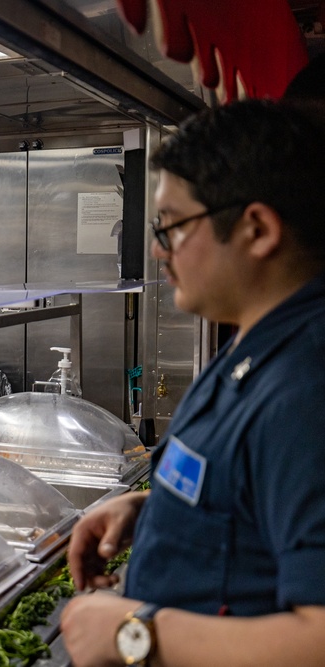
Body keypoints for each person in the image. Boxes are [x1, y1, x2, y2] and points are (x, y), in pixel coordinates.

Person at [60, 100, 325, 667]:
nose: (159, 249)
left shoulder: (307, 387)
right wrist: (156, 513)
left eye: (173, 227)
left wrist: (135, 634)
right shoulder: (252, 344)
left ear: (256, 229)